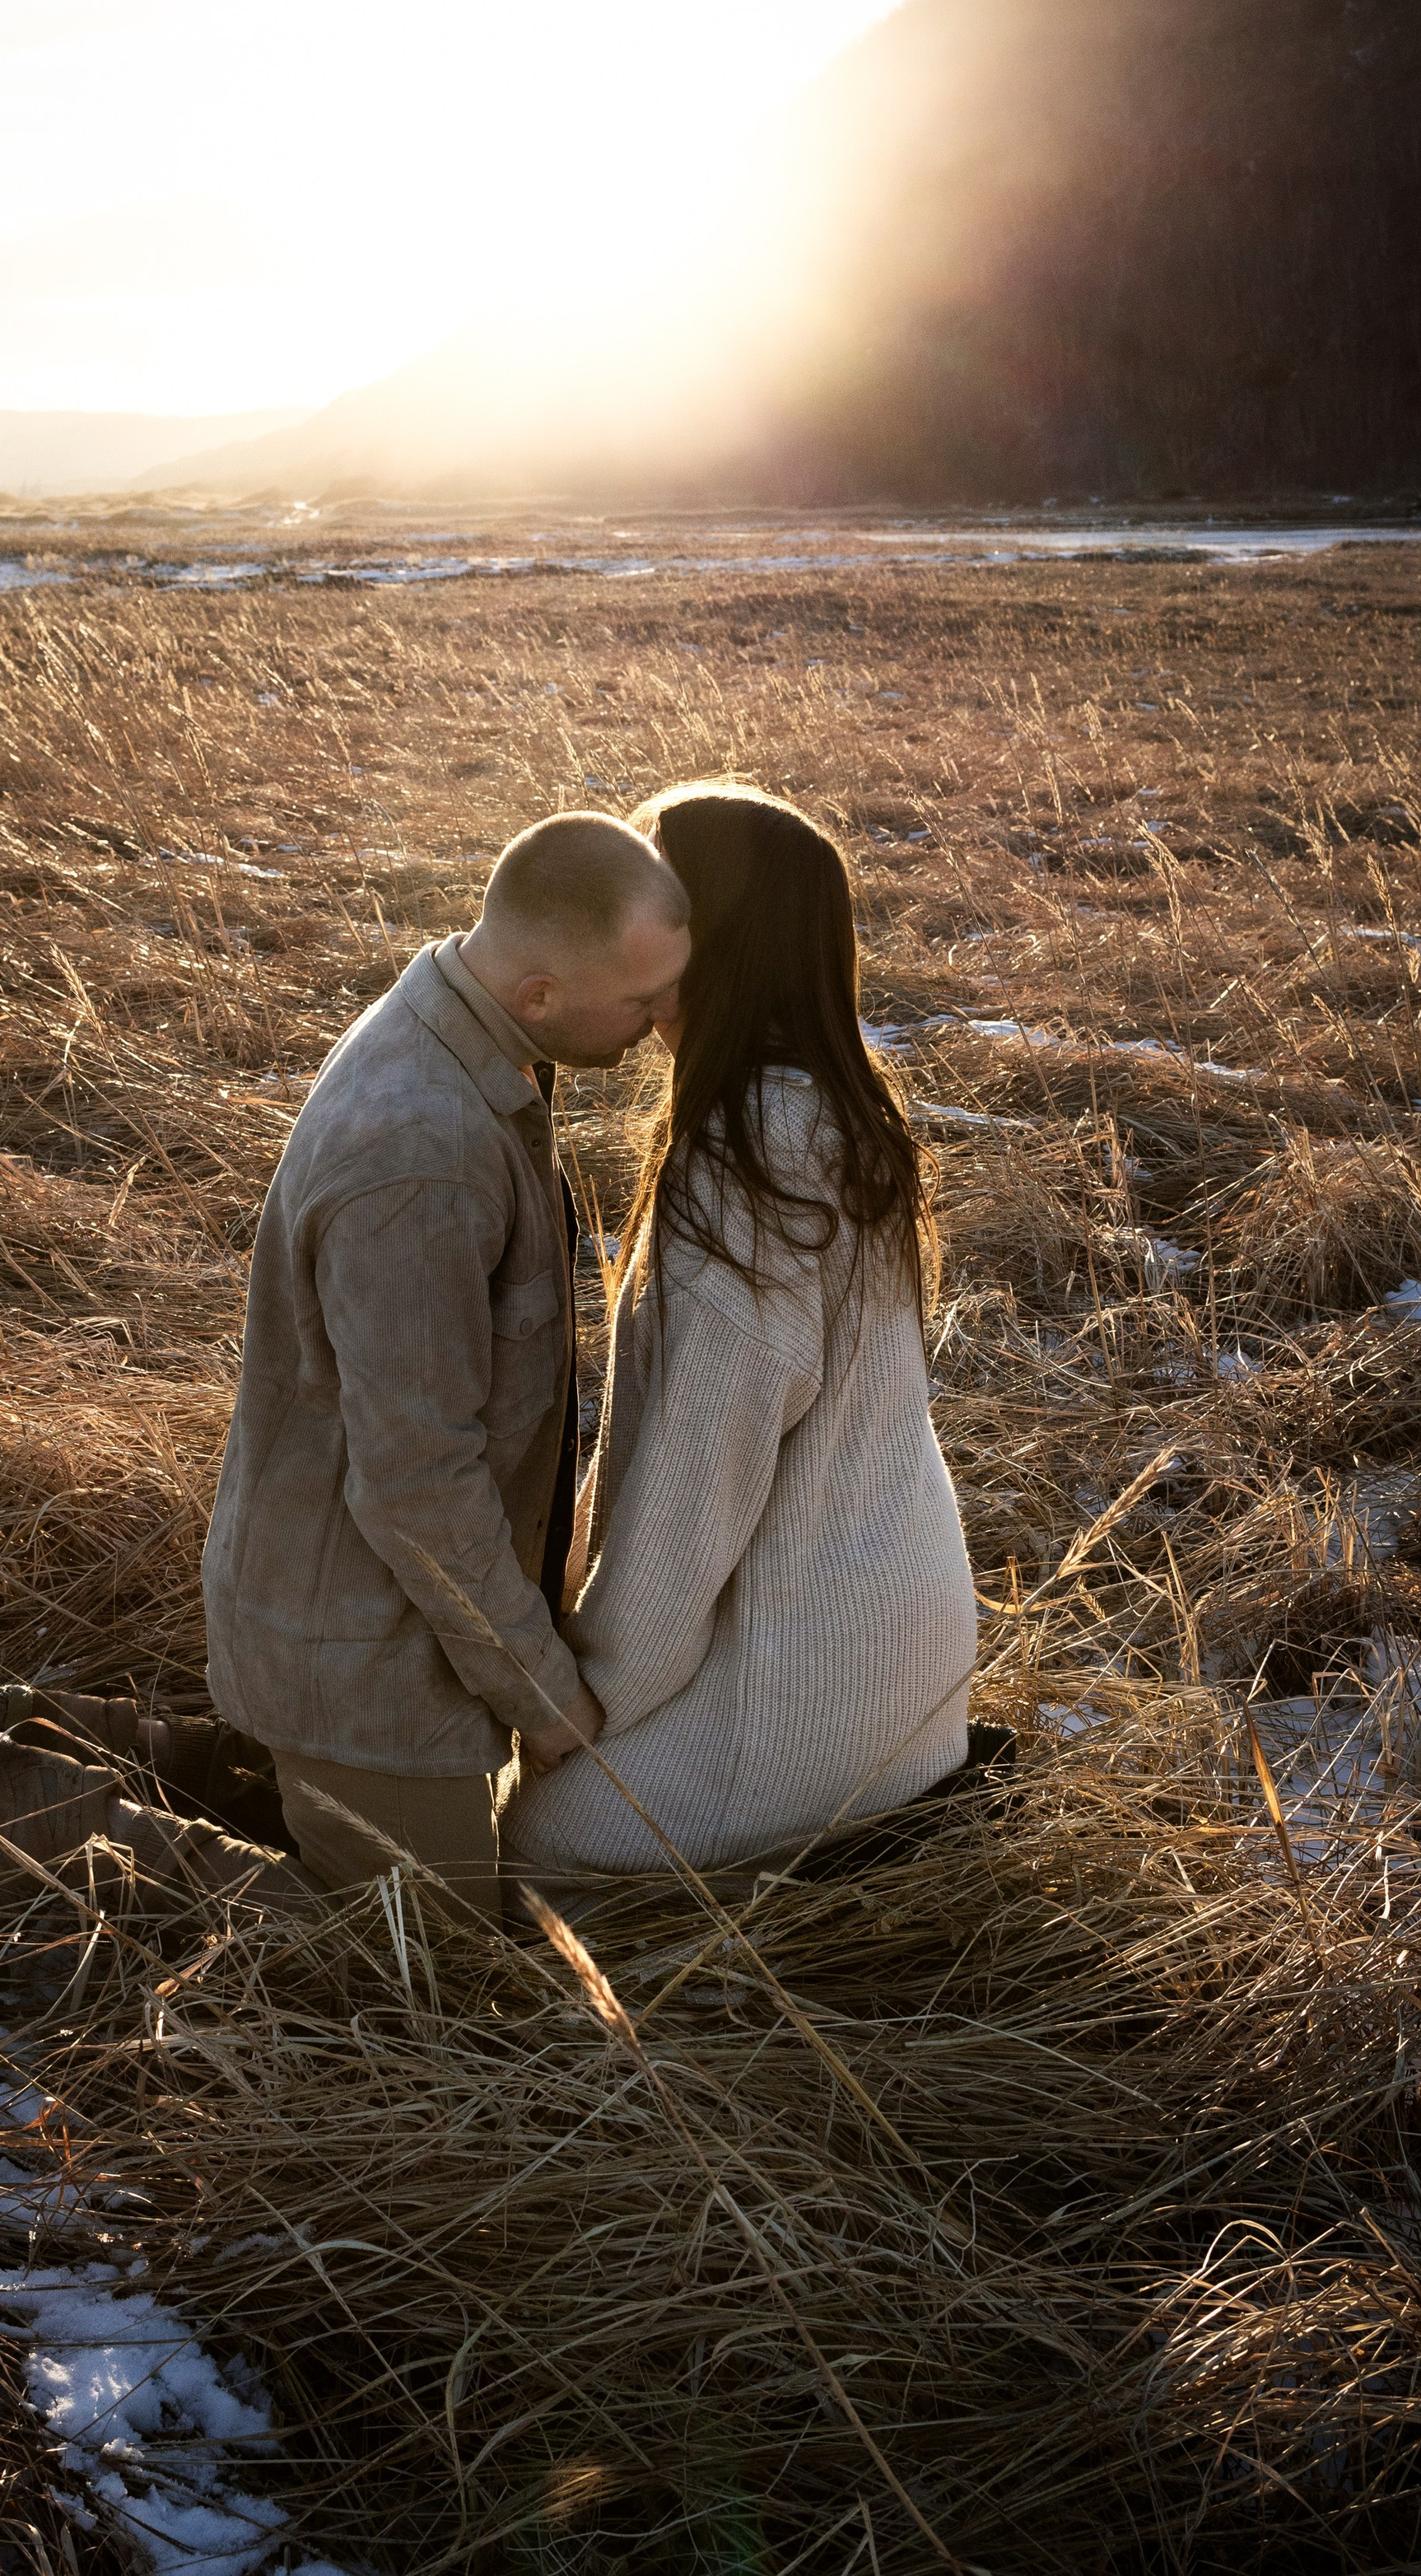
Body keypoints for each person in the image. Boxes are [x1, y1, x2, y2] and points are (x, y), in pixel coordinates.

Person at [199, 813, 692, 1922]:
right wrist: (541, 1694)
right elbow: (418, 1479)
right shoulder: (422, 1158)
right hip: (360, 1663)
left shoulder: (463, 1032)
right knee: (423, 1970)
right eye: (640, 1000)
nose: (660, 1025)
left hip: (383, 1629)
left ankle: (182, 1768)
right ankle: (20, 1807)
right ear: (539, 995)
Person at [501, 782, 977, 1892]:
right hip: (905, 1677)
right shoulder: (838, 1117)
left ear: (714, 940)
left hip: (807, 1713)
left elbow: (690, 1496)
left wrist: (574, 1707)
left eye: (655, 900)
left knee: (504, 1847)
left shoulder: (749, 1166)